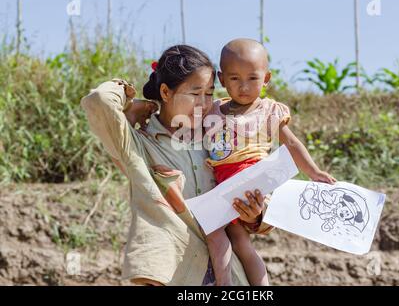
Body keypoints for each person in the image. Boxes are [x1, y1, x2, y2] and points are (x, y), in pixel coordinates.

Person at [80, 44, 274, 286]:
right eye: (195, 93)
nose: (204, 104)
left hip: (230, 276)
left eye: (209, 93)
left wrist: (256, 215)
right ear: (165, 91)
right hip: (173, 275)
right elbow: (99, 101)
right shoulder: (138, 144)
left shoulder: (219, 138)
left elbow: (258, 194)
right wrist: (136, 104)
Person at [204, 38, 336, 286]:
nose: (244, 86)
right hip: (223, 184)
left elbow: (292, 144)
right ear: (222, 80)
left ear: (266, 78)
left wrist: (314, 172)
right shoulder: (213, 111)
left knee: (232, 238)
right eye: (234, 79)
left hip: (252, 180)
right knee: (234, 240)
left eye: (252, 78)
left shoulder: (267, 111)